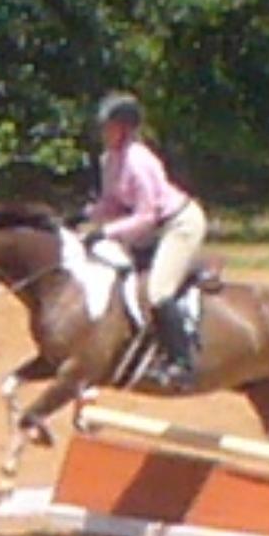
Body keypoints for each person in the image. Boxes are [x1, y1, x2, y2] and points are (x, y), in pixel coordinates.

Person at [81, 91, 208, 390]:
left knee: (158, 291)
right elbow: (112, 204)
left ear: (125, 128)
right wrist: (83, 216)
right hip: (151, 229)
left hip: (178, 225)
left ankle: (182, 363)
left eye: (108, 127)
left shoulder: (139, 162)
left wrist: (105, 232)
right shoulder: (109, 160)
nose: (102, 133)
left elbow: (146, 215)